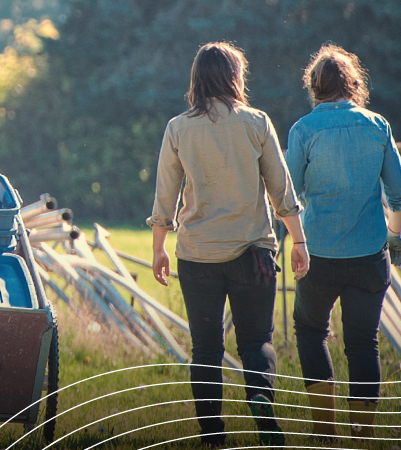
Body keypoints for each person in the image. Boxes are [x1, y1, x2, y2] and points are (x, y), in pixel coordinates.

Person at [147, 41, 308, 447]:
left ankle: (213, 435)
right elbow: (281, 189)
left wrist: (158, 247)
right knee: (256, 341)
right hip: (253, 253)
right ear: (237, 77)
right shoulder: (257, 123)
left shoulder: (178, 127)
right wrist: (299, 240)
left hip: (197, 254)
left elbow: (165, 195)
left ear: (196, 80)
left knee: (205, 348)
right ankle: (261, 401)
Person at [284, 44, 401, 439]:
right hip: (370, 254)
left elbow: (288, 194)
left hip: (318, 253)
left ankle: (326, 429)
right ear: (354, 84)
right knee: (362, 343)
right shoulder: (377, 126)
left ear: (314, 85)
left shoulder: (304, 130)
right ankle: (363, 434)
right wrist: (394, 236)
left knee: (309, 331)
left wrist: (296, 238)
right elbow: (400, 194)